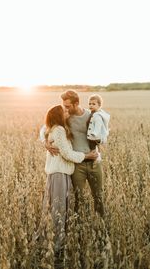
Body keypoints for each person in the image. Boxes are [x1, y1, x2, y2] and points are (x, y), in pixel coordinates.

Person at [40, 104, 96, 255]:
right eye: (64, 111)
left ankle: (54, 241)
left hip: (60, 173)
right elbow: (67, 154)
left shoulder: (54, 128)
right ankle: (56, 245)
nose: (67, 112)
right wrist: (87, 156)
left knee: (57, 207)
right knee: (58, 209)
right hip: (59, 174)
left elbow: (44, 131)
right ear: (58, 115)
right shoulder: (58, 130)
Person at [43, 90, 105, 218]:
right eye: (64, 106)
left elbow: (103, 133)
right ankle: (80, 226)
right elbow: (46, 127)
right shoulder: (65, 117)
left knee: (99, 197)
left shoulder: (91, 116)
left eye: (67, 106)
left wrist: (101, 140)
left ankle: (102, 225)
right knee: (79, 199)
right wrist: (45, 141)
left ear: (76, 103)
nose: (64, 108)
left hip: (94, 163)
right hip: (77, 165)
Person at [87, 94, 110, 162]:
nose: (91, 105)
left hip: (94, 137)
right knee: (93, 148)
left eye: (93, 104)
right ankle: (95, 159)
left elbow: (98, 126)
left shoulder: (97, 116)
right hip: (91, 136)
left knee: (93, 149)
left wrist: (95, 133)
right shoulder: (92, 113)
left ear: (99, 105)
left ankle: (97, 160)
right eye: (90, 104)